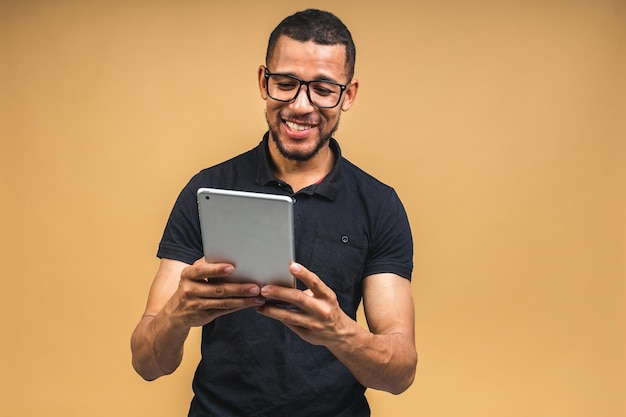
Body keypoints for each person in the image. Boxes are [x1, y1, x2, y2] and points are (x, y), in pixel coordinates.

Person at [131, 8, 417, 417]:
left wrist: (339, 332)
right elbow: (147, 363)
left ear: (348, 94)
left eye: (322, 89)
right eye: (285, 84)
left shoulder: (379, 204)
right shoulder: (206, 191)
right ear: (263, 81)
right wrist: (178, 312)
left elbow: (400, 371)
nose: (301, 106)